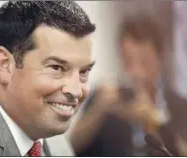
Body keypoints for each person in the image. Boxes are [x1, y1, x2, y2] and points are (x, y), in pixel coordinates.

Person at [0, 1, 96, 156]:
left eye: (84, 72)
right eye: (56, 68)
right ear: (5, 64)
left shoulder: (53, 140)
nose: (76, 91)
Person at [70, 14, 184, 156]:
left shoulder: (180, 106)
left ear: (161, 57)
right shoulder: (107, 98)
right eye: (129, 61)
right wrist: (98, 110)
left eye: (144, 62)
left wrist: (155, 122)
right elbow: (71, 148)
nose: (136, 72)